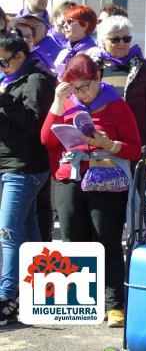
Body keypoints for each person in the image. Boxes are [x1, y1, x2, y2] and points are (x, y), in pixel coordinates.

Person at [41, 54, 142, 328]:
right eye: (73, 88)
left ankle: (115, 304)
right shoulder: (66, 103)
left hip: (106, 179)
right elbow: (47, 140)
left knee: (106, 240)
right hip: (69, 179)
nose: (80, 93)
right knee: (74, 240)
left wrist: (108, 144)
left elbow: (134, 147)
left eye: (85, 86)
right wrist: (59, 102)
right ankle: (84, 301)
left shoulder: (116, 105)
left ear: (98, 78)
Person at [0, 31, 55, 327]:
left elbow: (38, 126)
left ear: (20, 56)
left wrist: (5, 100)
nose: (0, 68)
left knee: (8, 233)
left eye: (3, 62)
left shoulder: (38, 79)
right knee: (27, 230)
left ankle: (6, 298)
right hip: (10, 164)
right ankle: (40, 290)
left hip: (26, 167)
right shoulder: (11, 78)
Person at [90, 15, 146, 153]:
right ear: (103, 41)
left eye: (126, 39)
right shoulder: (93, 68)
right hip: (99, 147)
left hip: (135, 146)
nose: (122, 43)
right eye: (115, 39)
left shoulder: (144, 68)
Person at [54, 5, 98, 77]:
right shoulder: (64, 53)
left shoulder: (94, 53)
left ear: (85, 25)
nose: (64, 25)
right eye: (64, 22)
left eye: (69, 21)